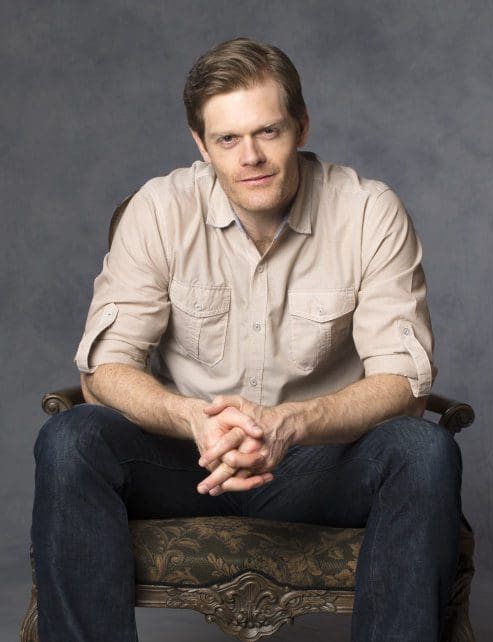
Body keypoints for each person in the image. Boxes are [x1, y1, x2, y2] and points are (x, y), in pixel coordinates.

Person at [31, 37, 462, 642]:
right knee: (70, 439)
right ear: (201, 144)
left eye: (268, 132)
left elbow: (405, 382)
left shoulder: (369, 212)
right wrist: (193, 419)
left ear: (301, 126)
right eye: (228, 139)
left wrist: (287, 424)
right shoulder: (158, 210)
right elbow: (103, 367)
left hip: (319, 464)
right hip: (185, 460)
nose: (251, 156)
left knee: (424, 450)